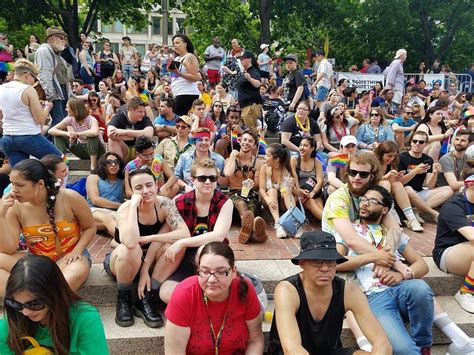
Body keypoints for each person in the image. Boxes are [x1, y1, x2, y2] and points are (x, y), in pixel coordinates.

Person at [336, 185, 434, 354]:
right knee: (405, 351)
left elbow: (422, 265)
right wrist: (373, 257)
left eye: (372, 201)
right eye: (363, 200)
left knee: (421, 288)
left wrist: (399, 276)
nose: (365, 204)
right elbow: (335, 262)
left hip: (400, 289)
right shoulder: (350, 232)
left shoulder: (393, 234)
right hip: (374, 297)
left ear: (385, 210)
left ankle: (423, 343)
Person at [268, 231, 391, 355]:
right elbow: (292, 349)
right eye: (317, 261)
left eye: (331, 261)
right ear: (302, 263)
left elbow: (381, 342)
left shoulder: (349, 291)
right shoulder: (287, 290)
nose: (325, 268)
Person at [103, 167, 190, 327]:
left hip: (152, 260)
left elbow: (184, 234)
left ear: (156, 185)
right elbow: (129, 242)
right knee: (132, 248)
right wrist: (133, 206)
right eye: (138, 188)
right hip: (122, 261)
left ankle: (146, 297)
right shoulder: (125, 208)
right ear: (131, 190)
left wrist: (151, 237)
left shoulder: (164, 203)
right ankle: (124, 298)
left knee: (177, 246)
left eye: (149, 185)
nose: (145, 191)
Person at [0, 159, 95, 296]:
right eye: (12, 184)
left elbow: (90, 227)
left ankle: (29, 297)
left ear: (40, 184)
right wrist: (1, 216)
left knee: (76, 272)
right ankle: (30, 298)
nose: (13, 190)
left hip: (70, 257)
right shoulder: (15, 207)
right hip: (36, 261)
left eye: (19, 185)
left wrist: (78, 250)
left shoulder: (70, 197)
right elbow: (8, 249)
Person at [164, 241, 264, 354]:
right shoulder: (184, 294)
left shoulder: (245, 288)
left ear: (234, 271)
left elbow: (255, 341)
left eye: (221, 272)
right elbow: (174, 352)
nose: (211, 280)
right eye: (205, 271)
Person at [159, 157, 234, 303]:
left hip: (215, 256)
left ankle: (199, 299)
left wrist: (181, 243)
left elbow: (218, 236)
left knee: (204, 250)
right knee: (166, 293)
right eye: (202, 178)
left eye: (212, 178)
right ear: (193, 180)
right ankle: (196, 301)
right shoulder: (180, 201)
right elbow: (167, 233)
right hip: (186, 256)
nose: (207, 182)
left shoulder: (225, 202)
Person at [0, 255, 108, 354]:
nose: (25, 312)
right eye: (15, 304)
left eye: (34, 304)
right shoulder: (10, 321)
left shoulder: (85, 319)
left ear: (54, 294)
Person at [0, 59, 62, 167]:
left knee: (22, 175)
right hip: (28, 136)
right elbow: (41, 120)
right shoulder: (28, 89)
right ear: (27, 74)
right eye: (34, 77)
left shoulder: (2, 88)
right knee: (62, 162)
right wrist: (47, 107)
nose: (35, 82)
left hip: (8, 138)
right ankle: (56, 184)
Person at [398, 131, 453, 222]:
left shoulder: (427, 159)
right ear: (411, 142)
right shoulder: (401, 157)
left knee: (449, 190)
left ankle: (417, 211)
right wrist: (415, 171)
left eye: (421, 142)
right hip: (404, 194)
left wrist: (435, 172)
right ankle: (433, 213)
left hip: (419, 193)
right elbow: (400, 183)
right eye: (415, 141)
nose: (417, 144)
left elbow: (430, 185)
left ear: (426, 144)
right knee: (408, 188)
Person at [223, 130, 267, 244]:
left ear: (254, 146)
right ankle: (255, 231)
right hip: (233, 194)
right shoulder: (230, 159)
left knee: (251, 210)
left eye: (250, 141)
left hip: (250, 194)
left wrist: (253, 184)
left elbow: (258, 186)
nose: (247, 143)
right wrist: (233, 155)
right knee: (241, 203)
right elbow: (227, 173)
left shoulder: (258, 163)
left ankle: (248, 228)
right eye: (245, 140)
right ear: (240, 141)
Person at [374, 141, 424, 232]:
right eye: (389, 156)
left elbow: (395, 182)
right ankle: (392, 217)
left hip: (388, 191)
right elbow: (369, 180)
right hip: (374, 192)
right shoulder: (373, 162)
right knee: (386, 183)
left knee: (397, 184)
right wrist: (385, 177)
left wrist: (395, 177)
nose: (392, 158)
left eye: (394, 156)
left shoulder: (393, 162)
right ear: (381, 154)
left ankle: (411, 219)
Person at [48, 98, 105, 172]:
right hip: (83, 150)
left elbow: (94, 132)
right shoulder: (70, 119)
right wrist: (68, 134)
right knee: (58, 135)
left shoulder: (90, 119)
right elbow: (51, 130)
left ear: (75, 109)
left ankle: (93, 166)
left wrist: (77, 134)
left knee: (91, 136)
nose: (65, 109)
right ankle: (63, 161)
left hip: (98, 152)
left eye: (68, 107)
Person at [259, 144, 298, 238]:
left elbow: (297, 193)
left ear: (276, 159)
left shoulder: (288, 170)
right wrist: (267, 199)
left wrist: (293, 187)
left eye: (268, 155)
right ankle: (278, 224)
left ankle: (295, 222)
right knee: (272, 191)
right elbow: (261, 189)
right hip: (269, 201)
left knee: (286, 190)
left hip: (284, 202)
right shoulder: (264, 168)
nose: (265, 157)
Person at [35, 27, 71, 128]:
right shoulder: (44, 51)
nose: (63, 41)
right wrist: (50, 95)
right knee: (58, 122)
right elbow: (44, 74)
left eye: (64, 38)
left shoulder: (57, 54)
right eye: (61, 38)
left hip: (61, 91)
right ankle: (48, 143)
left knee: (63, 121)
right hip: (54, 92)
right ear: (51, 38)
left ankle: (52, 142)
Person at [86, 152, 125, 238]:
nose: (113, 164)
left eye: (116, 162)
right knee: (108, 218)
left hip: (114, 214)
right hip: (93, 212)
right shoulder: (93, 177)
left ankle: (119, 243)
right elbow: (95, 200)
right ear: (103, 164)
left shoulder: (122, 181)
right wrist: (121, 205)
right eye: (109, 162)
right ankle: (125, 241)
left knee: (118, 222)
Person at [290, 137, 324, 221]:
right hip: (298, 194)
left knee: (319, 204)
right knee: (311, 202)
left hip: (313, 192)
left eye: (305, 145)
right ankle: (332, 225)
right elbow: (293, 179)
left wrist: (312, 193)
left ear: (312, 148)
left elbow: (320, 181)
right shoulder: (294, 160)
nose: (301, 147)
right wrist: (301, 192)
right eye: (300, 145)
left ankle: (329, 225)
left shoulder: (316, 162)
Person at [169, 34, 200, 116]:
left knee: (179, 121)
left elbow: (194, 77)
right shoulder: (177, 58)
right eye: (174, 44)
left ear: (185, 44)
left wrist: (178, 73)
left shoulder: (189, 57)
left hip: (187, 93)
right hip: (178, 92)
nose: (175, 45)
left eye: (177, 43)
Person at [237, 50, 262, 129]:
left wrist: (250, 79)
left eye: (243, 58)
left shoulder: (254, 71)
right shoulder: (245, 72)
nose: (241, 61)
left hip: (250, 107)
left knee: (252, 131)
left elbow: (258, 84)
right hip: (244, 106)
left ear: (249, 59)